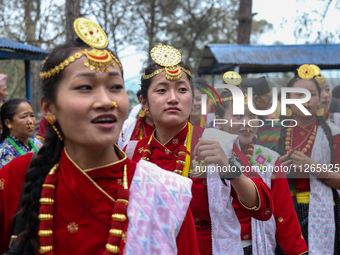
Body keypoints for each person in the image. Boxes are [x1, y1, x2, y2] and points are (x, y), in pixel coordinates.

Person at [0, 18, 198, 255]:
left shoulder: (168, 193)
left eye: (115, 87)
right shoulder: (14, 177)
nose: (106, 101)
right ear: (49, 107)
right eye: (85, 87)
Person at [128, 45, 274, 255]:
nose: (173, 98)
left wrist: (228, 168)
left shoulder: (218, 142)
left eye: (182, 89)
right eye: (161, 90)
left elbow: (263, 208)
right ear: (144, 102)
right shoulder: (133, 152)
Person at [215, 88, 308, 255]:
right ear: (219, 120)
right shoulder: (201, 159)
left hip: (257, 247)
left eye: (252, 116)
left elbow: (284, 215)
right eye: (238, 116)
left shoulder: (269, 159)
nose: (247, 123)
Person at [276, 75, 340, 254]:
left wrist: (313, 167)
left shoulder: (334, 134)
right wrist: (274, 171)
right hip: (283, 211)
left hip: (323, 212)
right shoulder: (270, 134)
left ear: (320, 99)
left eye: (311, 94)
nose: (306, 100)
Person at [0, 98, 42, 167]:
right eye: (24, 117)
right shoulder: (4, 152)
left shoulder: (37, 144)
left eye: (32, 116)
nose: (30, 121)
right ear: (8, 123)